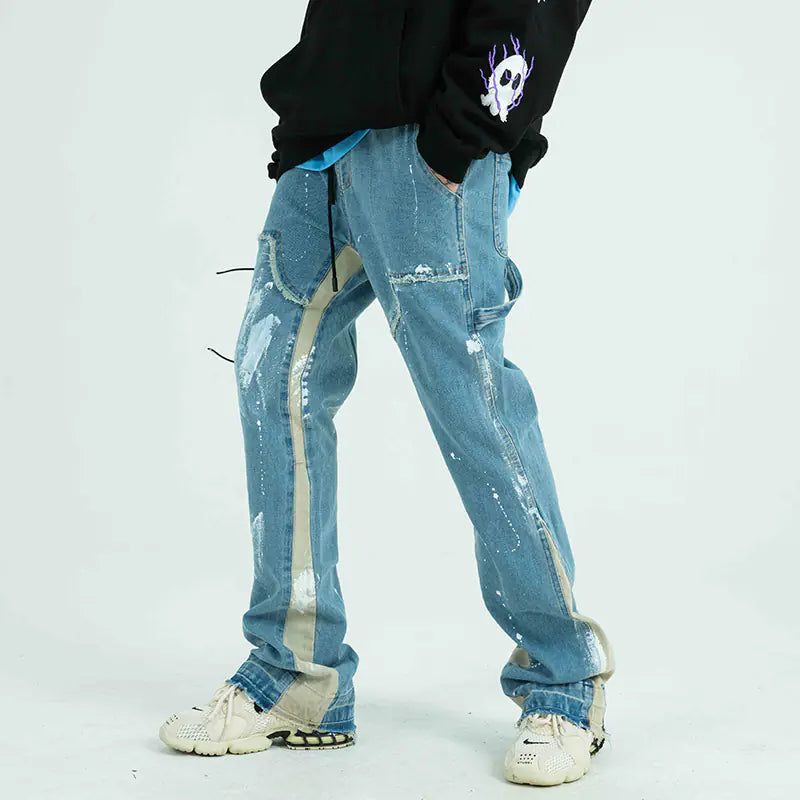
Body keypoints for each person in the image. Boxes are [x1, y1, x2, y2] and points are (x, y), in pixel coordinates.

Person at [159, 0, 614, 787]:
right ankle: (298, 674)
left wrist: (464, 130)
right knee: (273, 379)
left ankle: (564, 681)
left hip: (431, 149)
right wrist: (301, 126)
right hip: (323, 151)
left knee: (471, 408)